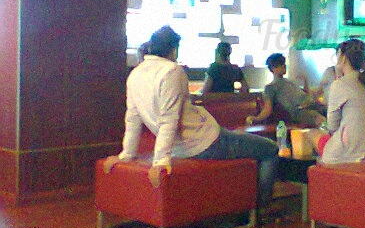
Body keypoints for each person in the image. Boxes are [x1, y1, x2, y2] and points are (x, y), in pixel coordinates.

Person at [102, 26, 279, 210]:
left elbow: (132, 119)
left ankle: (243, 203)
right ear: (173, 49)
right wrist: (161, 161)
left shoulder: (135, 74)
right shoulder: (171, 71)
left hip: (183, 146)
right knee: (270, 148)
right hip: (205, 142)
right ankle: (261, 208)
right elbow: (169, 119)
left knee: (237, 137)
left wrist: (127, 154)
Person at [305, 38, 365, 164]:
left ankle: (322, 171)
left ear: (342, 57)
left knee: (311, 133)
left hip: (349, 152)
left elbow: (332, 127)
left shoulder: (339, 84)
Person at [246, 53, 325, 128]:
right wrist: (256, 118)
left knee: (329, 111)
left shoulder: (289, 82)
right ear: (273, 68)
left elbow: (305, 95)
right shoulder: (270, 87)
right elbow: (267, 109)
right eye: (280, 65)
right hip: (299, 111)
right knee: (320, 119)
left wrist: (305, 80)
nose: (284, 66)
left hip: (311, 104)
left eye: (284, 63)